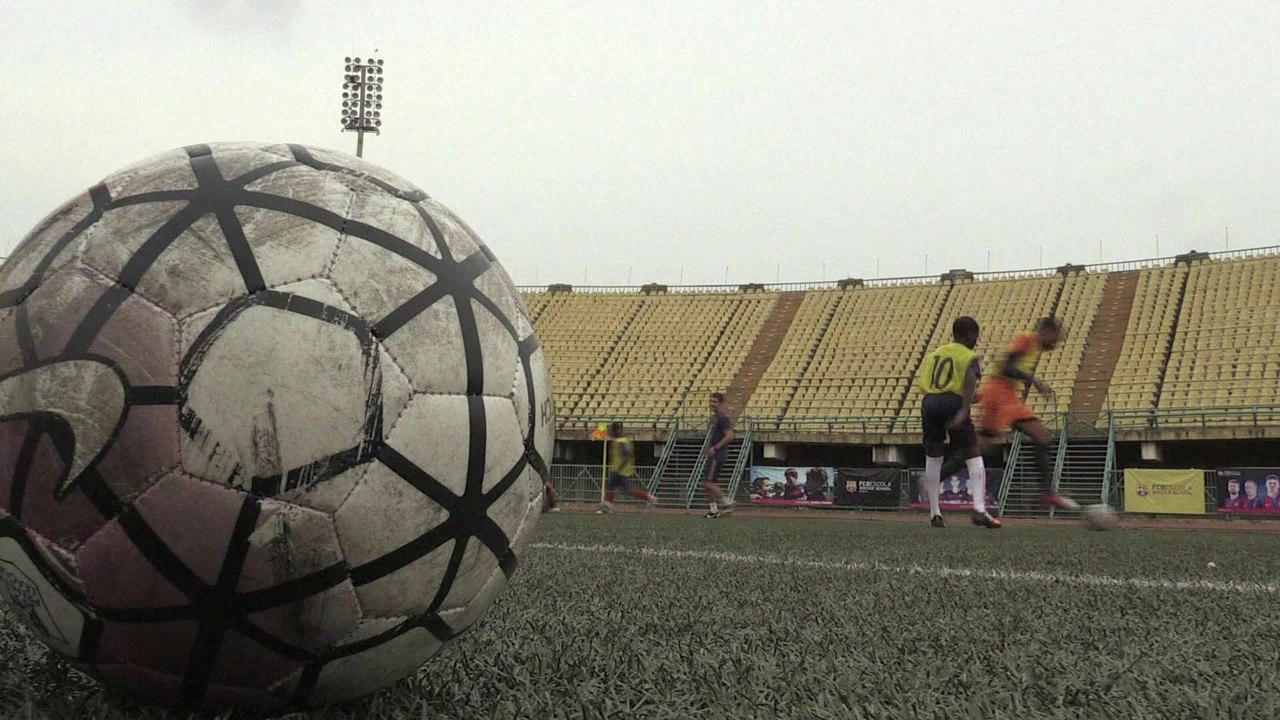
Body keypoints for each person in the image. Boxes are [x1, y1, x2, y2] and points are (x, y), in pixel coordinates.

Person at [939, 317, 1077, 512]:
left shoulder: (1033, 345)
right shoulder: (1027, 340)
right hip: (999, 395)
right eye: (1055, 337)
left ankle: (1047, 493)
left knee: (982, 448)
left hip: (1005, 396)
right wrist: (1033, 380)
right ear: (1046, 332)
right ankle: (1047, 493)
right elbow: (1006, 368)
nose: (1055, 343)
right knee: (1039, 438)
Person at [916, 316, 1001, 529]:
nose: (976, 341)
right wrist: (964, 407)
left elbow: (938, 382)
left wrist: (964, 397)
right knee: (973, 452)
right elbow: (970, 378)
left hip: (930, 401)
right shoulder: (970, 355)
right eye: (976, 337)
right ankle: (980, 510)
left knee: (934, 455)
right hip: (952, 401)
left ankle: (935, 514)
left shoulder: (936, 353)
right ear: (970, 335)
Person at [596, 422, 656, 514]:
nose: (610, 433)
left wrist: (619, 468)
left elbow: (626, 455)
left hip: (620, 470)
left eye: (611, 431)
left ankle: (648, 497)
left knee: (617, 488)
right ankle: (608, 507)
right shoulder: (622, 440)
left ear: (615, 431)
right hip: (620, 469)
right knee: (614, 487)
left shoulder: (621, 442)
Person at [703, 392, 737, 518]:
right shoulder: (715, 417)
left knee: (708, 483)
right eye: (711, 401)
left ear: (721, 403)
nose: (712, 404)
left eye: (715, 402)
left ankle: (728, 502)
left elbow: (729, 435)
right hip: (714, 453)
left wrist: (716, 448)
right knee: (708, 484)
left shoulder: (722, 418)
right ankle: (713, 510)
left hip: (718, 454)